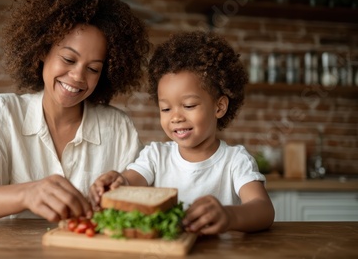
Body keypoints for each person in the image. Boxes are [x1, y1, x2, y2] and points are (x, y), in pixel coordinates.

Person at [0, 0, 150, 222]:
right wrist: (28, 194)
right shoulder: (4, 111)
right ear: (41, 52)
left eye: (93, 68)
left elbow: (142, 201)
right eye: (68, 59)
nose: (78, 76)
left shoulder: (118, 127)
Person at [90, 31, 274, 235]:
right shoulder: (155, 156)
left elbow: (263, 209)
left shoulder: (236, 161)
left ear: (219, 107)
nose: (175, 117)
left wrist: (229, 215)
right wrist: (117, 181)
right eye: (166, 109)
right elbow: (128, 181)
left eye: (189, 105)